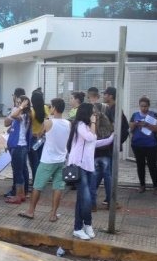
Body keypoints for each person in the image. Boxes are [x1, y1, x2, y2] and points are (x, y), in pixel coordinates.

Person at [66, 103, 114, 240]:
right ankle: (86, 224)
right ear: (87, 113)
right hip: (79, 166)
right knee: (86, 198)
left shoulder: (86, 127)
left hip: (88, 167)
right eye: (93, 113)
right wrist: (93, 123)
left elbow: (93, 143)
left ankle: (79, 227)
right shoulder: (80, 124)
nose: (95, 115)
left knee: (82, 199)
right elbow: (91, 138)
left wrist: (110, 139)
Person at [19, 98, 70, 221]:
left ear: (54, 108)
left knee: (37, 186)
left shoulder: (48, 123)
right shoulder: (68, 123)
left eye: (51, 107)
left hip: (48, 160)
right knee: (58, 187)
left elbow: (39, 134)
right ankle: (53, 214)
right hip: (62, 159)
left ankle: (31, 211)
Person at [130, 96, 157, 194]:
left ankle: (156, 187)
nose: (144, 108)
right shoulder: (135, 115)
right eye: (142, 106)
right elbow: (130, 128)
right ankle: (142, 185)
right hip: (137, 145)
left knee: (152, 165)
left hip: (151, 145)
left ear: (149, 106)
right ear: (139, 106)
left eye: (146, 106)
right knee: (140, 165)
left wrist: (147, 125)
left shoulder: (154, 115)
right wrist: (135, 124)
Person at [5, 95, 31, 204]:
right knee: (19, 170)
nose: (18, 104)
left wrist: (20, 107)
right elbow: (7, 123)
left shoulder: (24, 115)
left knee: (18, 172)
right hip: (16, 146)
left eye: (21, 102)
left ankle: (19, 196)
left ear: (25, 104)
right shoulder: (20, 115)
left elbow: (13, 114)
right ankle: (21, 194)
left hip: (19, 146)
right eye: (17, 102)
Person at [28, 89, 49, 182]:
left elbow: (28, 126)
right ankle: (41, 180)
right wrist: (41, 132)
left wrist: (35, 133)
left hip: (32, 138)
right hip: (42, 139)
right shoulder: (45, 108)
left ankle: (35, 181)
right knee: (41, 160)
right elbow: (47, 122)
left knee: (33, 162)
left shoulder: (31, 111)